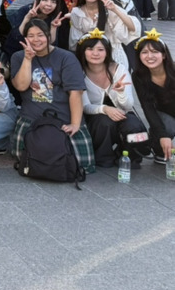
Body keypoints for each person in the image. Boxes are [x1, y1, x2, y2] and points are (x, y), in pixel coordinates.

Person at [9, 19, 95, 174]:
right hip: (32, 119)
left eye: (40, 35)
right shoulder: (18, 57)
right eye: (31, 36)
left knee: (82, 164)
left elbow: (76, 92)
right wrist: (28, 59)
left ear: (49, 35)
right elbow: (21, 86)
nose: (36, 40)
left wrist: (75, 124)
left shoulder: (66, 57)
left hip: (64, 118)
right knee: (24, 157)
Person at [75, 30, 148, 168]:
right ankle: (103, 157)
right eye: (90, 49)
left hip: (121, 112)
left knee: (134, 126)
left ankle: (130, 156)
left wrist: (121, 92)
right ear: (82, 51)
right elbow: (85, 106)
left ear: (107, 51)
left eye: (100, 49)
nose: (95, 53)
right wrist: (105, 109)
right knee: (104, 123)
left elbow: (127, 106)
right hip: (95, 116)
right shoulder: (79, 71)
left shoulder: (120, 70)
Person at [69, 0, 137, 69]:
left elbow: (132, 28)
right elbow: (75, 42)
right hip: (91, 58)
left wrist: (115, 10)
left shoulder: (109, 8)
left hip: (114, 56)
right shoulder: (77, 12)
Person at [132, 29, 175, 164]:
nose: (149, 56)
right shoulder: (138, 76)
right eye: (144, 52)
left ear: (163, 55)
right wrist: (163, 135)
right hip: (163, 116)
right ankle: (159, 148)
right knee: (166, 124)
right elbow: (147, 107)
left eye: (155, 52)